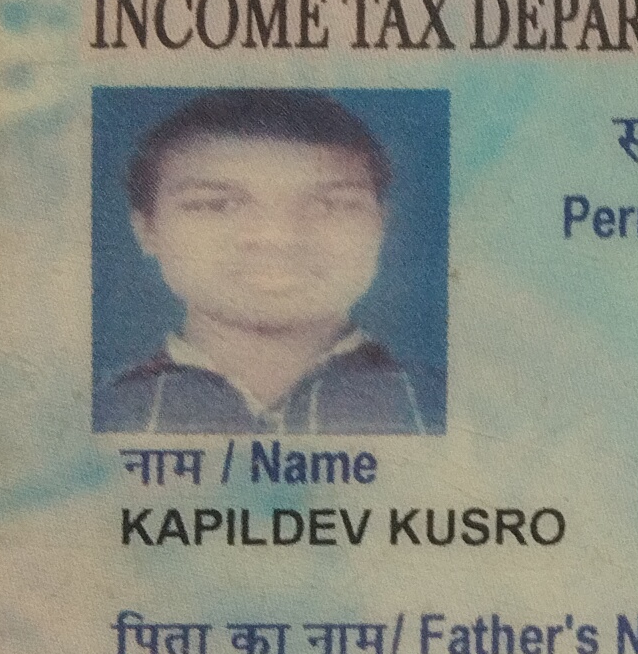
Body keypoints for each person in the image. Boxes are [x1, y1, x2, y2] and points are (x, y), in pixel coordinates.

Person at [93, 92, 443, 433]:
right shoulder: (91, 418)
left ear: (381, 223)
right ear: (146, 229)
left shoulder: (449, 408)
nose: (277, 238)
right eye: (218, 205)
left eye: (327, 205)